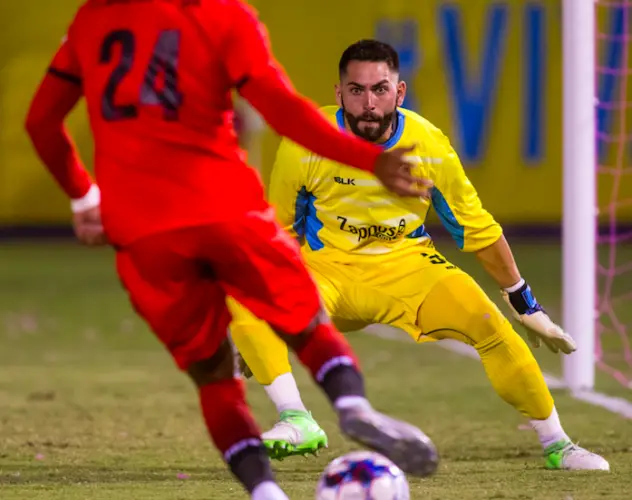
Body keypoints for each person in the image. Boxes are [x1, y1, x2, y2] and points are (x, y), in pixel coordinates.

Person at [24, 3, 440, 498]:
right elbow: (282, 108)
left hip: (143, 232)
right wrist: (369, 158)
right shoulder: (221, 14)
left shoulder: (94, 18)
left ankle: (265, 492)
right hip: (223, 206)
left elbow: (40, 123)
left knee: (214, 376)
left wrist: (83, 196)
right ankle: (351, 405)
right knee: (304, 320)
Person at [229, 39, 610, 471]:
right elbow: (277, 230)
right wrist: (266, 314)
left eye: (380, 89)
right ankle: (296, 419)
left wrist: (524, 301)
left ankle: (558, 444)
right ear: (339, 94)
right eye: (356, 90)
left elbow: (475, 227)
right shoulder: (306, 142)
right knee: (242, 294)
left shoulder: (428, 145)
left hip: (409, 271)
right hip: (327, 274)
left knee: (490, 325)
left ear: (400, 92)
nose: (369, 103)